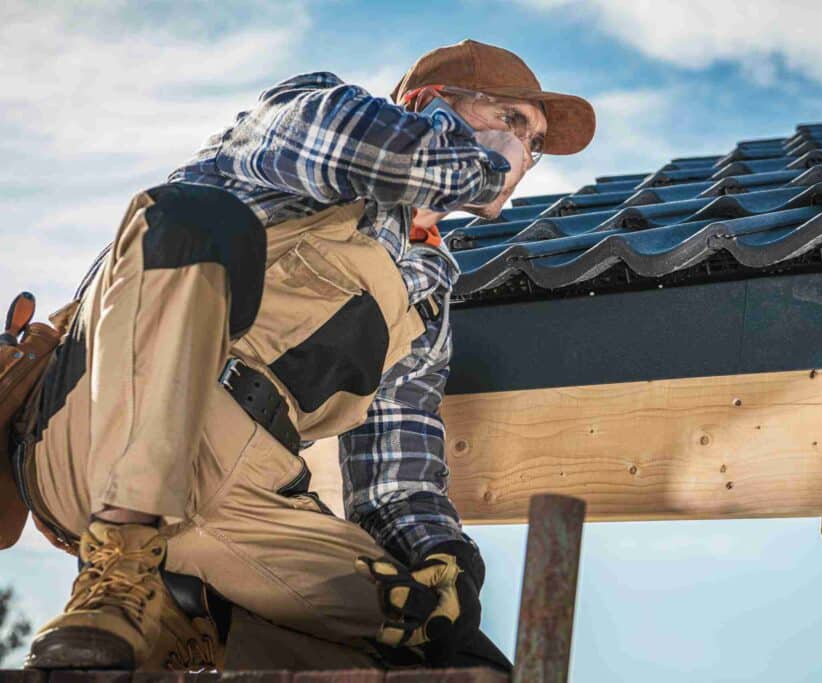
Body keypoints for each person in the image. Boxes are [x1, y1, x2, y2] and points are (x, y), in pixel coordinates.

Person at [13, 39, 595, 671]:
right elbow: (368, 145)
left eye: (533, 144)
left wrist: (444, 555)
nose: (525, 154)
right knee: (186, 220)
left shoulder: (427, 295)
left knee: (445, 650)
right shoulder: (307, 119)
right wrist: (481, 164)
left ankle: (183, 615)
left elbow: (394, 480)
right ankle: (121, 566)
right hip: (101, 431)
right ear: (428, 104)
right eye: (511, 120)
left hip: (249, 501)